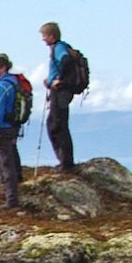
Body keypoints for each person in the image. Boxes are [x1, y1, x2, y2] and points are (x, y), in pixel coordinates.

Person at [40, 21, 79, 173]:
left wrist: (58, 80)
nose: (43, 39)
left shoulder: (59, 48)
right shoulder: (59, 47)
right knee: (55, 124)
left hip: (60, 91)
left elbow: (66, 60)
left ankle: (66, 163)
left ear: (51, 35)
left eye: (44, 35)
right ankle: (64, 160)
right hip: (59, 90)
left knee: (58, 125)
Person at [0, 55, 24, 209]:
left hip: (3, 129)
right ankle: (13, 195)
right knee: (12, 160)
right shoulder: (14, 82)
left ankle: (11, 201)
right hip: (13, 127)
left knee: (5, 164)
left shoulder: (1, 86)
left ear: (3, 68)